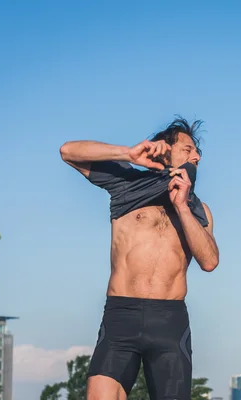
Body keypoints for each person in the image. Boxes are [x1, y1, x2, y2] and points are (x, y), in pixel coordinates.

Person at [59, 117, 219, 400]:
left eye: (198, 154)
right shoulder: (127, 184)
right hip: (121, 316)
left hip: (170, 323)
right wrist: (127, 153)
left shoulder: (198, 209)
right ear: (164, 150)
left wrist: (181, 206)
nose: (196, 157)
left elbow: (209, 261)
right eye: (188, 149)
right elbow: (68, 151)